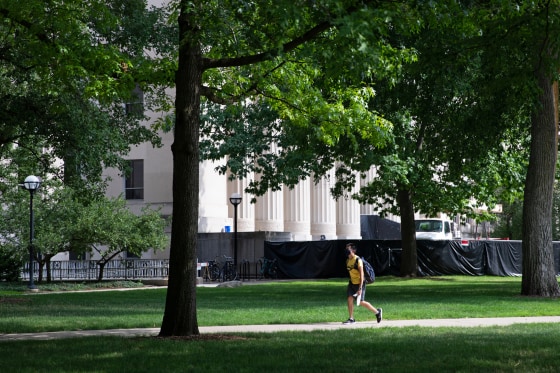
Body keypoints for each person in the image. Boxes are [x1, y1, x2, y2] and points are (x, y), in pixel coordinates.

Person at [343, 243, 382, 324]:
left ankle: (377, 312)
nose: (347, 251)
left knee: (360, 302)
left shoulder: (358, 260)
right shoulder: (347, 260)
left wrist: (360, 288)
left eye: (348, 249)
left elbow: (362, 275)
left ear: (353, 251)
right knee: (349, 299)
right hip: (352, 283)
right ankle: (351, 319)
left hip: (360, 283)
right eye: (346, 249)